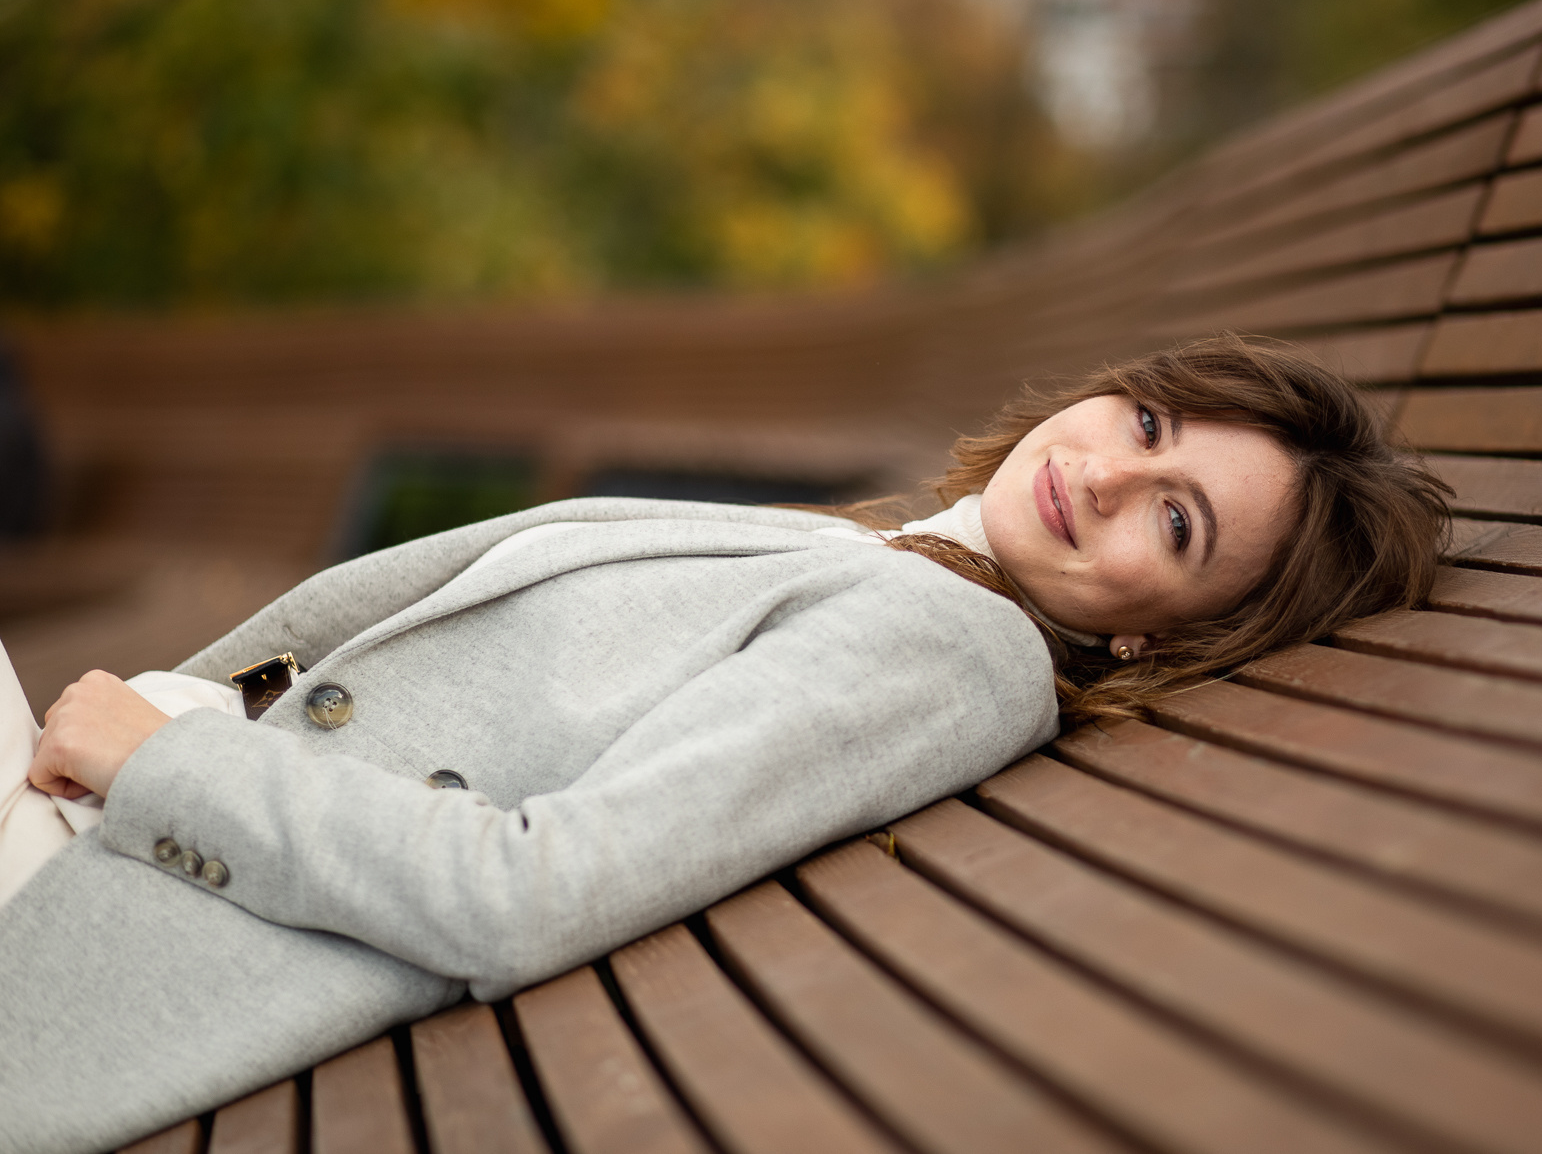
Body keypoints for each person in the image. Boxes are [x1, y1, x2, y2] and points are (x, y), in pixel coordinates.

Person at [0, 335, 1448, 1153]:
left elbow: (533, 890)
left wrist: (165, 760)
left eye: (1175, 519)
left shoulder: (954, 649)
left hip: (116, 900)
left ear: (1160, 637)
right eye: (1147, 419)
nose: (1109, 472)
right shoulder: (908, 550)